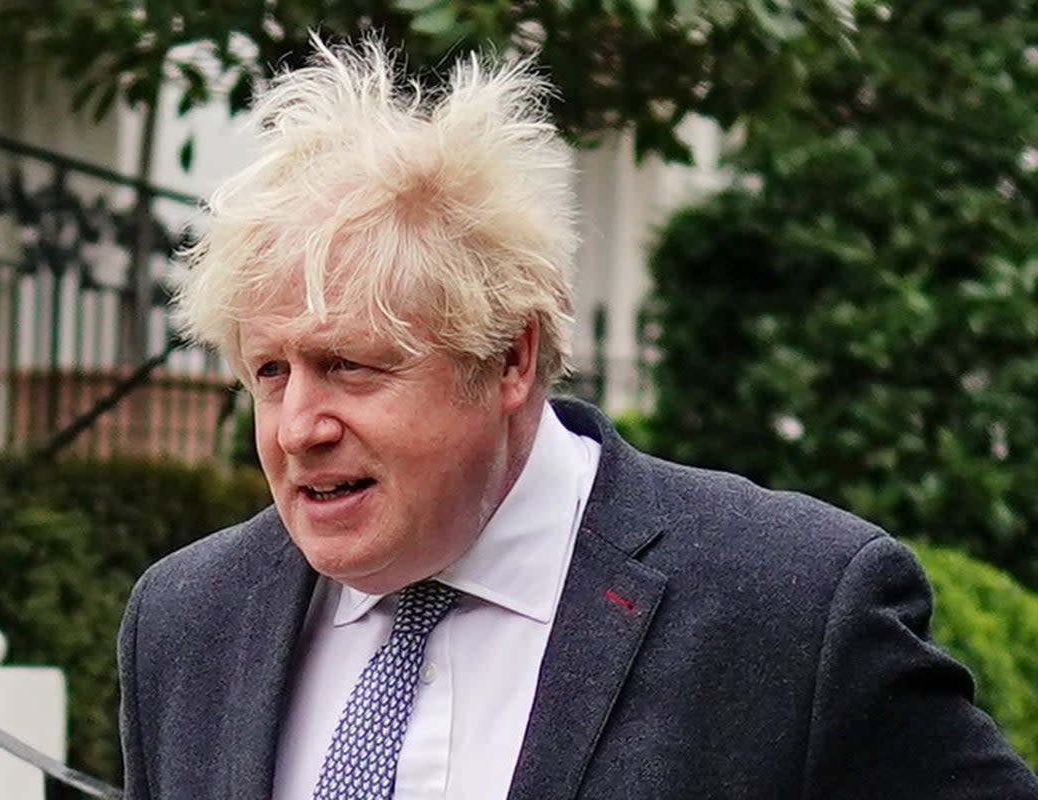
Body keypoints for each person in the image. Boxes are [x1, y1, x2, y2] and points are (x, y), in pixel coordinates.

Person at [116, 37, 1038, 800]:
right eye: (270, 372)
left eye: (350, 366)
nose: (296, 427)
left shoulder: (794, 611)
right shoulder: (187, 621)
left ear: (511, 359)